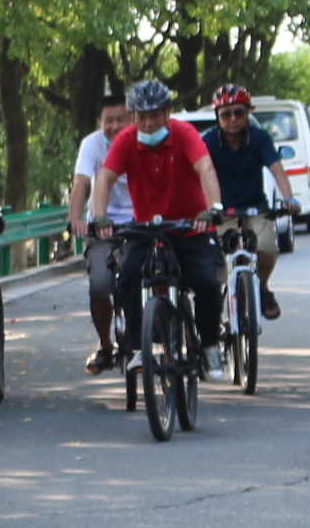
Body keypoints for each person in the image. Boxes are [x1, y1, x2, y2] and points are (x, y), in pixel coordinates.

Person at [87, 78, 228, 358]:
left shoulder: (185, 133)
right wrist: (100, 217)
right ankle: (137, 344)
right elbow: (105, 179)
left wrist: (213, 207)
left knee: (207, 281)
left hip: (191, 226)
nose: (149, 123)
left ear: (167, 114)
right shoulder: (126, 140)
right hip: (147, 230)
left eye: (155, 115)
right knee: (127, 274)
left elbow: (206, 168)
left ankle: (210, 344)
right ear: (133, 117)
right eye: (142, 117)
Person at [201, 84, 290, 320]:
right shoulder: (207, 141)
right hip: (220, 212)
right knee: (212, 260)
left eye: (238, 113)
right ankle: (220, 299)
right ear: (217, 117)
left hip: (255, 209)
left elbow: (277, 169)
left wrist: (288, 199)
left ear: (248, 113)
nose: (232, 119)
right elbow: (198, 173)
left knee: (267, 247)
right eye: (225, 114)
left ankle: (261, 287)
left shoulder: (260, 138)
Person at [66, 92, 136, 374]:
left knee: (154, 271)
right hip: (102, 226)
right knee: (100, 284)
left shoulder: (141, 140)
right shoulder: (92, 144)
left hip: (140, 224)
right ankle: (106, 345)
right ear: (99, 122)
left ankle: (159, 329)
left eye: (121, 119)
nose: (115, 126)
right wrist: (75, 219)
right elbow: (82, 182)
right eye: (109, 120)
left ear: (132, 118)